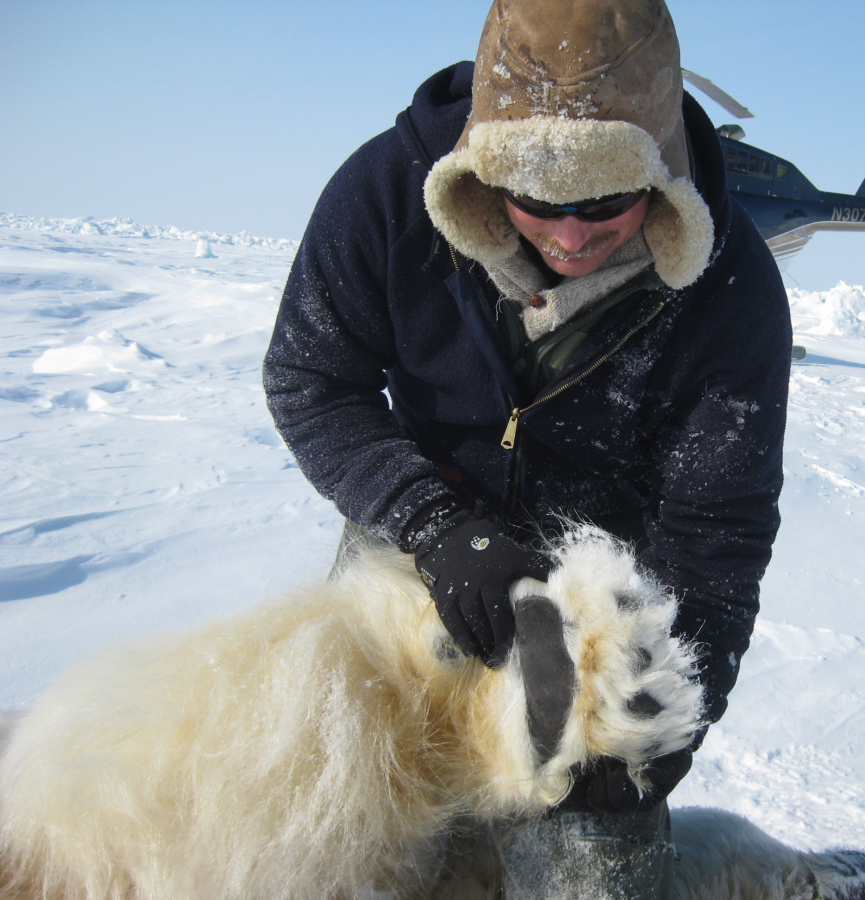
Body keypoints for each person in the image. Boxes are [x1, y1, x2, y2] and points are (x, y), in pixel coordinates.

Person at [263, 0, 791, 896]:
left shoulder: (731, 290)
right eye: (541, 200)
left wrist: (660, 724)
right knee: (351, 839)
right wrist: (432, 525)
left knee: (595, 869)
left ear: (659, 177)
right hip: (415, 546)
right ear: (480, 171)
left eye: (609, 202)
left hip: (599, 610)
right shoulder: (387, 195)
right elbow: (312, 380)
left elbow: (717, 530)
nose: (572, 236)